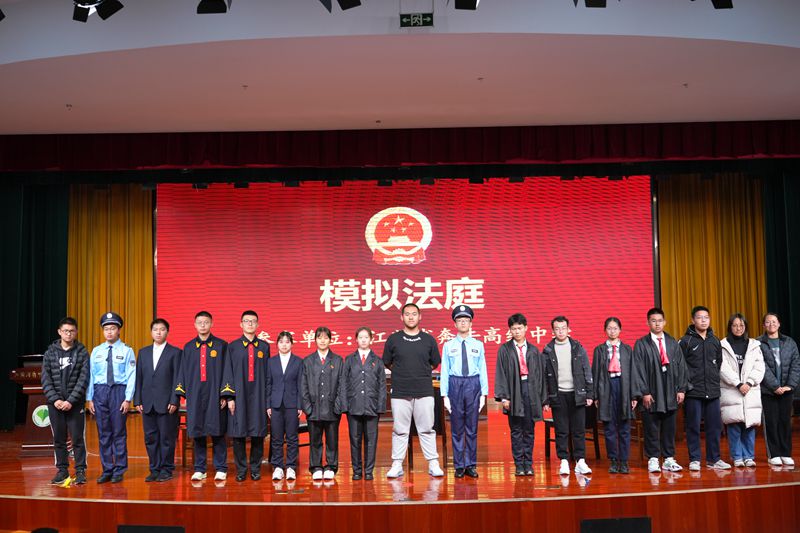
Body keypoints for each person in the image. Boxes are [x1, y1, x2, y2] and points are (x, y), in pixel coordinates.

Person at [383, 303, 444, 478]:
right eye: (407, 314)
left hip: (424, 390)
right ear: (402, 317)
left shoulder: (428, 339)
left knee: (427, 429)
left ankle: (433, 463)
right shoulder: (393, 339)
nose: (411, 317)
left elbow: (434, 362)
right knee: (400, 430)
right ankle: (397, 464)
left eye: (414, 314)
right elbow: (387, 362)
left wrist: (419, 372)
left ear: (420, 316)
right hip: (400, 391)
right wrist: (403, 373)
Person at [175, 311, 229, 482]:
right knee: (197, 431)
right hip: (195, 394)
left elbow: (227, 371)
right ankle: (200, 468)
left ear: (212, 323)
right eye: (200, 322)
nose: (203, 325)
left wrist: (225, 394)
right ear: (195, 325)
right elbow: (183, 371)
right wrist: (183, 393)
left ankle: (221, 468)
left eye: (206, 322)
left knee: (218, 430)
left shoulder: (221, 346)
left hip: (215, 393)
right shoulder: (189, 347)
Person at [633, 307, 687, 473]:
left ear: (664, 322)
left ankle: (669, 458)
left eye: (659, 321)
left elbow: (681, 366)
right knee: (651, 427)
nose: (657, 324)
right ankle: (653, 459)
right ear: (648, 323)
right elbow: (638, 369)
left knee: (669, 427)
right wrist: (644, 392)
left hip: (670, 390)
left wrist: (681, 389)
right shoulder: (641, 344)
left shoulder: (672, 342)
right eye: (653, 321)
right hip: (651, 391)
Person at [494, 313, 547, 476]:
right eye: (513, 329)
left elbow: (540, 376)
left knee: (529, 429)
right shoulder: (505, 349)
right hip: (513, 390)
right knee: (516, 429)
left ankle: (528, 463)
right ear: (510, 330)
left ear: (526, 328)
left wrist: (543, 399)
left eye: (519, 328)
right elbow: (501, 373)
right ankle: (519, 464)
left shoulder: (533, 350)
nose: (517, 331)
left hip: (530, 390)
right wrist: (505, 397)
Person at [87, 312, 136, 484]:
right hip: (100, 392)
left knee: (119, 432)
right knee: (104, 433)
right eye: (106, 329)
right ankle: (107, 469)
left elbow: (131, 376)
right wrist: (90, 398)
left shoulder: (127, 350)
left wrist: (128, 399)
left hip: (118, 392)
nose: (109, 332)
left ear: (119, 330)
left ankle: (119, 469)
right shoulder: (96, 351)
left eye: (112, 328)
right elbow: (91, 376)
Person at [679, 306, 730, 471]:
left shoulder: (715, 341)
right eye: (699, 317)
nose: (703, 320)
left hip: (713, 391)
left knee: (714, 427)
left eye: (706, 317)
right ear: (693, 320)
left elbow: (718, 363)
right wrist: (684, 387)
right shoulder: (685, 341)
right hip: (693, 391)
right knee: (693, 427)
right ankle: (694, 459)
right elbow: (680, 367)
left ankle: (714, 459)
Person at [41, 317, 90, 485]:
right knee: (59, 439)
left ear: (76, 332)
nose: (68, 334)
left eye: (72, 331)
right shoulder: (50, 353)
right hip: (55, 405)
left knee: (77, 439)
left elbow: (83, 379)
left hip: (75, 405)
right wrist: (55, 400)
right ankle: (62, 471)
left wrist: (70, 400)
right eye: (65, 331)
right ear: (59, 332)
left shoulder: (82, 352)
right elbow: (45, 379)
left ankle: (80, 470)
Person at [543, 315, 594, 476]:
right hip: (558, 395)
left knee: (579, 430)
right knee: (561, 430)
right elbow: (543, 377)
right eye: (557, 329)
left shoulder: (577, 347)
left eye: (563, 328)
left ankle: (580, 461)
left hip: (577, 394)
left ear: (568, 329)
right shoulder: (547, 350)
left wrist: (589, 393)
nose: (560, 331)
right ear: (553, 331)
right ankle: (564, 461)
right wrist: (545, 399)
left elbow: (587, 370)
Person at [441, 305, 488, 479]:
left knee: (472, 428)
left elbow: (482, 369)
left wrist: (483, 393)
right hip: (455, 384)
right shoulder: (448, 345)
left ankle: (471, 464)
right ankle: (459, 465)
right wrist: (445, 395)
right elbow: (445, 370)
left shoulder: (478, 345)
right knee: (457, 428)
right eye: (459, 320)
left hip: (472, 384)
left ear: (470, 323)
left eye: (466, 320)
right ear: (455, 324)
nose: (463, 323)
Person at [133, 318, 182, 482]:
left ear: (167, 332)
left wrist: (175, 400)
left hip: (167, 403)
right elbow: (139, 378)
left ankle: (166, 469)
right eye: (155, 329)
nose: (158, 332)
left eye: (162, 329)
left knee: (167, 438)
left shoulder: (175, 352)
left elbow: (178, 378)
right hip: (147, 403)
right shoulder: (143, 352)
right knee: (150, 438)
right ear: (151, 332)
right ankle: (154, 469)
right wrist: (137, 400)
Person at [224, 310, 270, 482]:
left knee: (258, 433)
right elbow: (228, 372)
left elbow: (268, 375)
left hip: (258, 395)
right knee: (239, 433)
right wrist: (230, 397)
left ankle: (256, 469)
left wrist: (267, 399)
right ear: (241, 324)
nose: (250, 324)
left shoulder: (264, 347)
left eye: (253, 321)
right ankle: (241, 469)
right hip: (239, 395)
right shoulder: (233, 347)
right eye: (246, 321)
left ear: (258, 324)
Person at [592, 317, 636, 474]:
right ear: (605, 330)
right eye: (609, 328)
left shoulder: (627, 349)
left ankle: (623, 461)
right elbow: (595, 373)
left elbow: (633, 373)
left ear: (620, 330)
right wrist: (596, 395)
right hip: (606, 387)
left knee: (624, 427)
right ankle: (612, 460)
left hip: (623, 388)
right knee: (609, 427)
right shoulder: (599, 350)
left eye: (615, 328)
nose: (612, 331)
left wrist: (633, 396)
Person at [300, 326, 346, 480]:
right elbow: (303, 386)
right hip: (313, 408)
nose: (322, 341)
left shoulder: (338, 360)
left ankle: (331, 466)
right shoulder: (308, 361)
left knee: (332, 440)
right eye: (319, 338)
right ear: (315, 340)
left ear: (330, 340)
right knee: (315, 440)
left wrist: (338, 406)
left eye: (326, 338)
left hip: (332, 409)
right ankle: (316, 467)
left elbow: (342, 385)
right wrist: (307, 407)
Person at [720, 313, 764, 467]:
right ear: (730, 327)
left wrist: (749, 383)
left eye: (741, 325)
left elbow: (759, 367)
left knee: (749, 426)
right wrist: (738, 384)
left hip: (750, 390)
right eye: (735, 325)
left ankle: (749, 456)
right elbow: (723, 368)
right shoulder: (723, 345)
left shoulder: (754, 345)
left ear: (745, 327)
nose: (738, 328)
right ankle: (737, 457)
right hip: (732, 390)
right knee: (734, 426)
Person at [343, 327, 386, 481]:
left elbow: (382, 385)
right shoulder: (349, 359)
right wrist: (345, 405)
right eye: (360, 337)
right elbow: (344, 383)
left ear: (371, 340)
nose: (363, 340)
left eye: (366, 337)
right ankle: (356, 470)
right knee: (354, 440)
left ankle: (368, 471)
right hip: (353, 406)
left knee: (371, 440)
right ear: (356, 340)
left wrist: (380, 406)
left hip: (372, 406)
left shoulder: (377, 361)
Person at [759, 312, 800, 467]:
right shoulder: (758, 343)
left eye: (774, 321)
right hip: (768, 391)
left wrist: (790, 385)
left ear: (779, 324)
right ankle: (774, 454)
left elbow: (796, 365)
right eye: (768, 322)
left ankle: (786, 453)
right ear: (764, 325)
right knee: (771, 422)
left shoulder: (789, 342)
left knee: (785, 422)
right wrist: (774, 386)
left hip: (787, 390)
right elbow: (761, 366)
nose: (771, 324)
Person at [266, 331, 304, 481]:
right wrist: (268, 405)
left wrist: (299, 405)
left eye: (287, 342)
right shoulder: (271, 362)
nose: (284, 345)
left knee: (292, 437)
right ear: (277, 344)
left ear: (292, 344)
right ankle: (277, 467)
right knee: (276, 438)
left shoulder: (298, 362)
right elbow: (268, 384)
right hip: (275, 404)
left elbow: (300, 385)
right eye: (281, 342)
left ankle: (290, 467)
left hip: (292, 404)